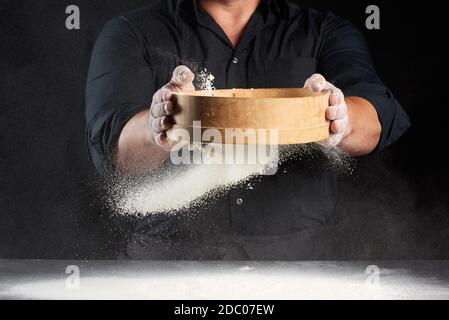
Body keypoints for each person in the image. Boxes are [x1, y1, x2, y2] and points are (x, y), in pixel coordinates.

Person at [86, 0, 410, 259]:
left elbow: (378, 114)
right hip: (168, 261)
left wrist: (342, 119)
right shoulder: (131, 32)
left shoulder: (324, 30)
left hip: (302, 266)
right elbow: (112, 152)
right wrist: (156, 127)